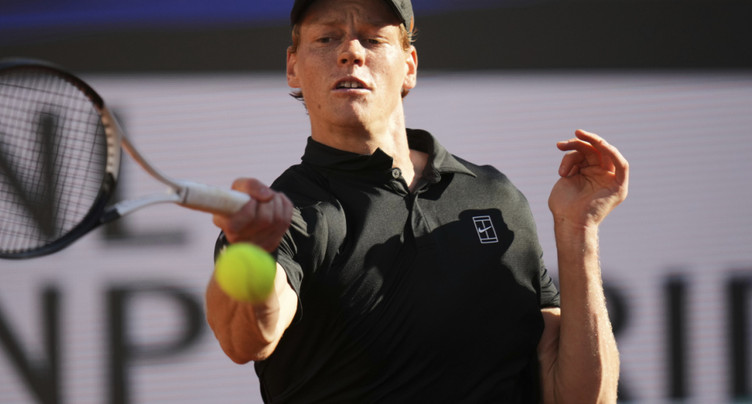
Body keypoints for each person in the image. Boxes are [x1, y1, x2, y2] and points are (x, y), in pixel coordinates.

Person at [206, 0, 627, 402]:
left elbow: (581, 398)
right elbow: (247, 341)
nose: (351, 52)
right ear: (293, 67)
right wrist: (251, 254)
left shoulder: (494, 196)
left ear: (409, 67)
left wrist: (578, 231)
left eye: (373, 39)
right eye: (326, 38)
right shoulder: (283, 215)